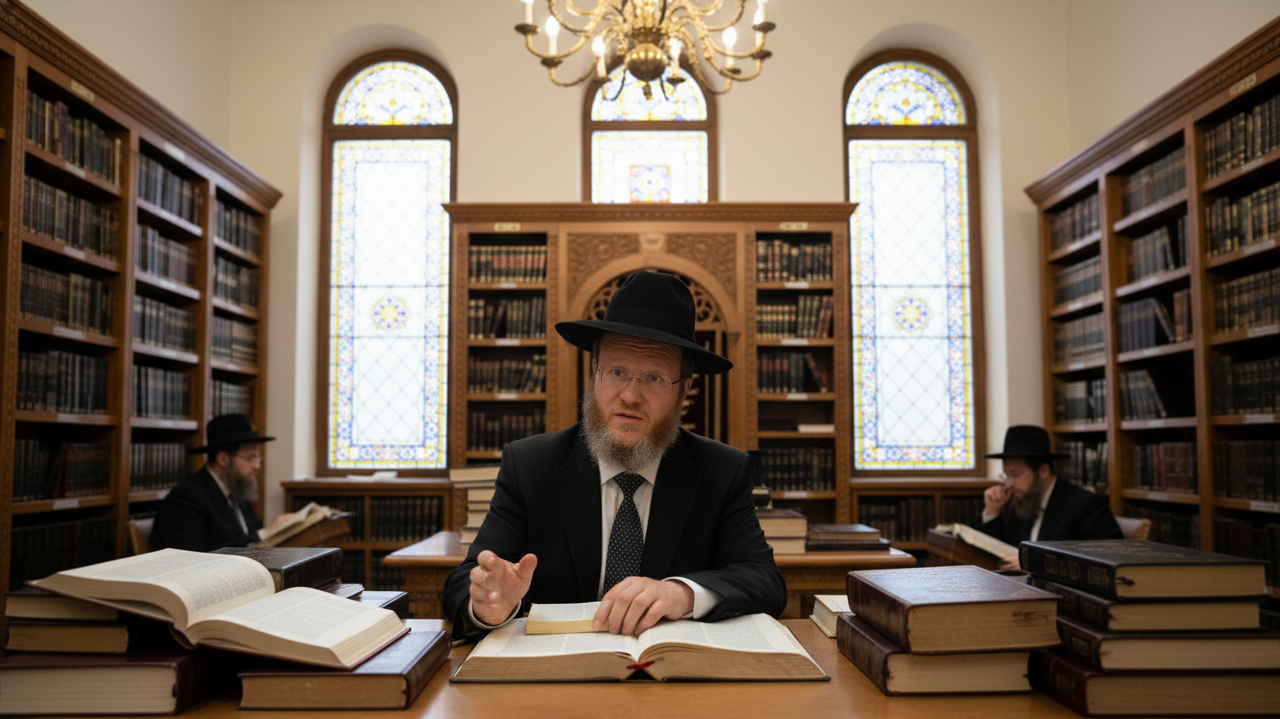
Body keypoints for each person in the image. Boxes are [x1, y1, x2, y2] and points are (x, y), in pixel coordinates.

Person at [442, 270, 787, 641]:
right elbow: (466, 581)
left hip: (673, 682)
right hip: (556, 683)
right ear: (594, 371)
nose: (630, 396)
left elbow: (764, 580)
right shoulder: (531, 467)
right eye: (617, 371)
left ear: (685, 388)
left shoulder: (721, 471)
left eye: (654, 378)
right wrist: (490, 606)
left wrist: (681, 593)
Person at [980, 424, 1123, 570]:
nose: (1008, 484)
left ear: (1043, 471)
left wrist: (1037, 564)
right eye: (1006, 475)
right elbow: (1002, 553)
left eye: (1015, 475)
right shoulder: (1023, 501)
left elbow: (1110, 558)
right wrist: (993, 513)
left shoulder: (1085, 505)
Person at [151, 414, 292, 552]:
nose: (257, 466)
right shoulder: (186, 499)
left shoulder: (238, 489)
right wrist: (264, 534)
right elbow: (192, 560)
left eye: (258, 458)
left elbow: (248, 537)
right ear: (223, 459)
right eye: (251, 458)